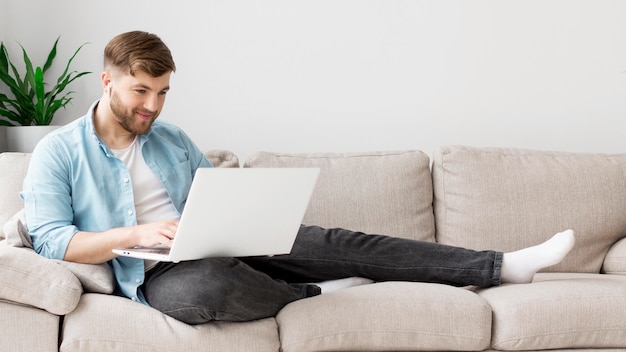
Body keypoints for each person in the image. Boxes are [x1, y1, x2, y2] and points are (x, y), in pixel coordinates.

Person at [21, 31, 576, 325]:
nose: (153, 106)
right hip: (152, 272)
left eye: (163, 91)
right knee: (208, 288)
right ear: (107, 82)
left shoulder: (172, 139)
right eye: (141, 91)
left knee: (339, 241)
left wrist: (230, 220)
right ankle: (306, 293)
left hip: (214, 241)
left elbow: (221, 197)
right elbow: (52, 241)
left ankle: (501, 266)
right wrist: (136, 235)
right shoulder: (59, 152)